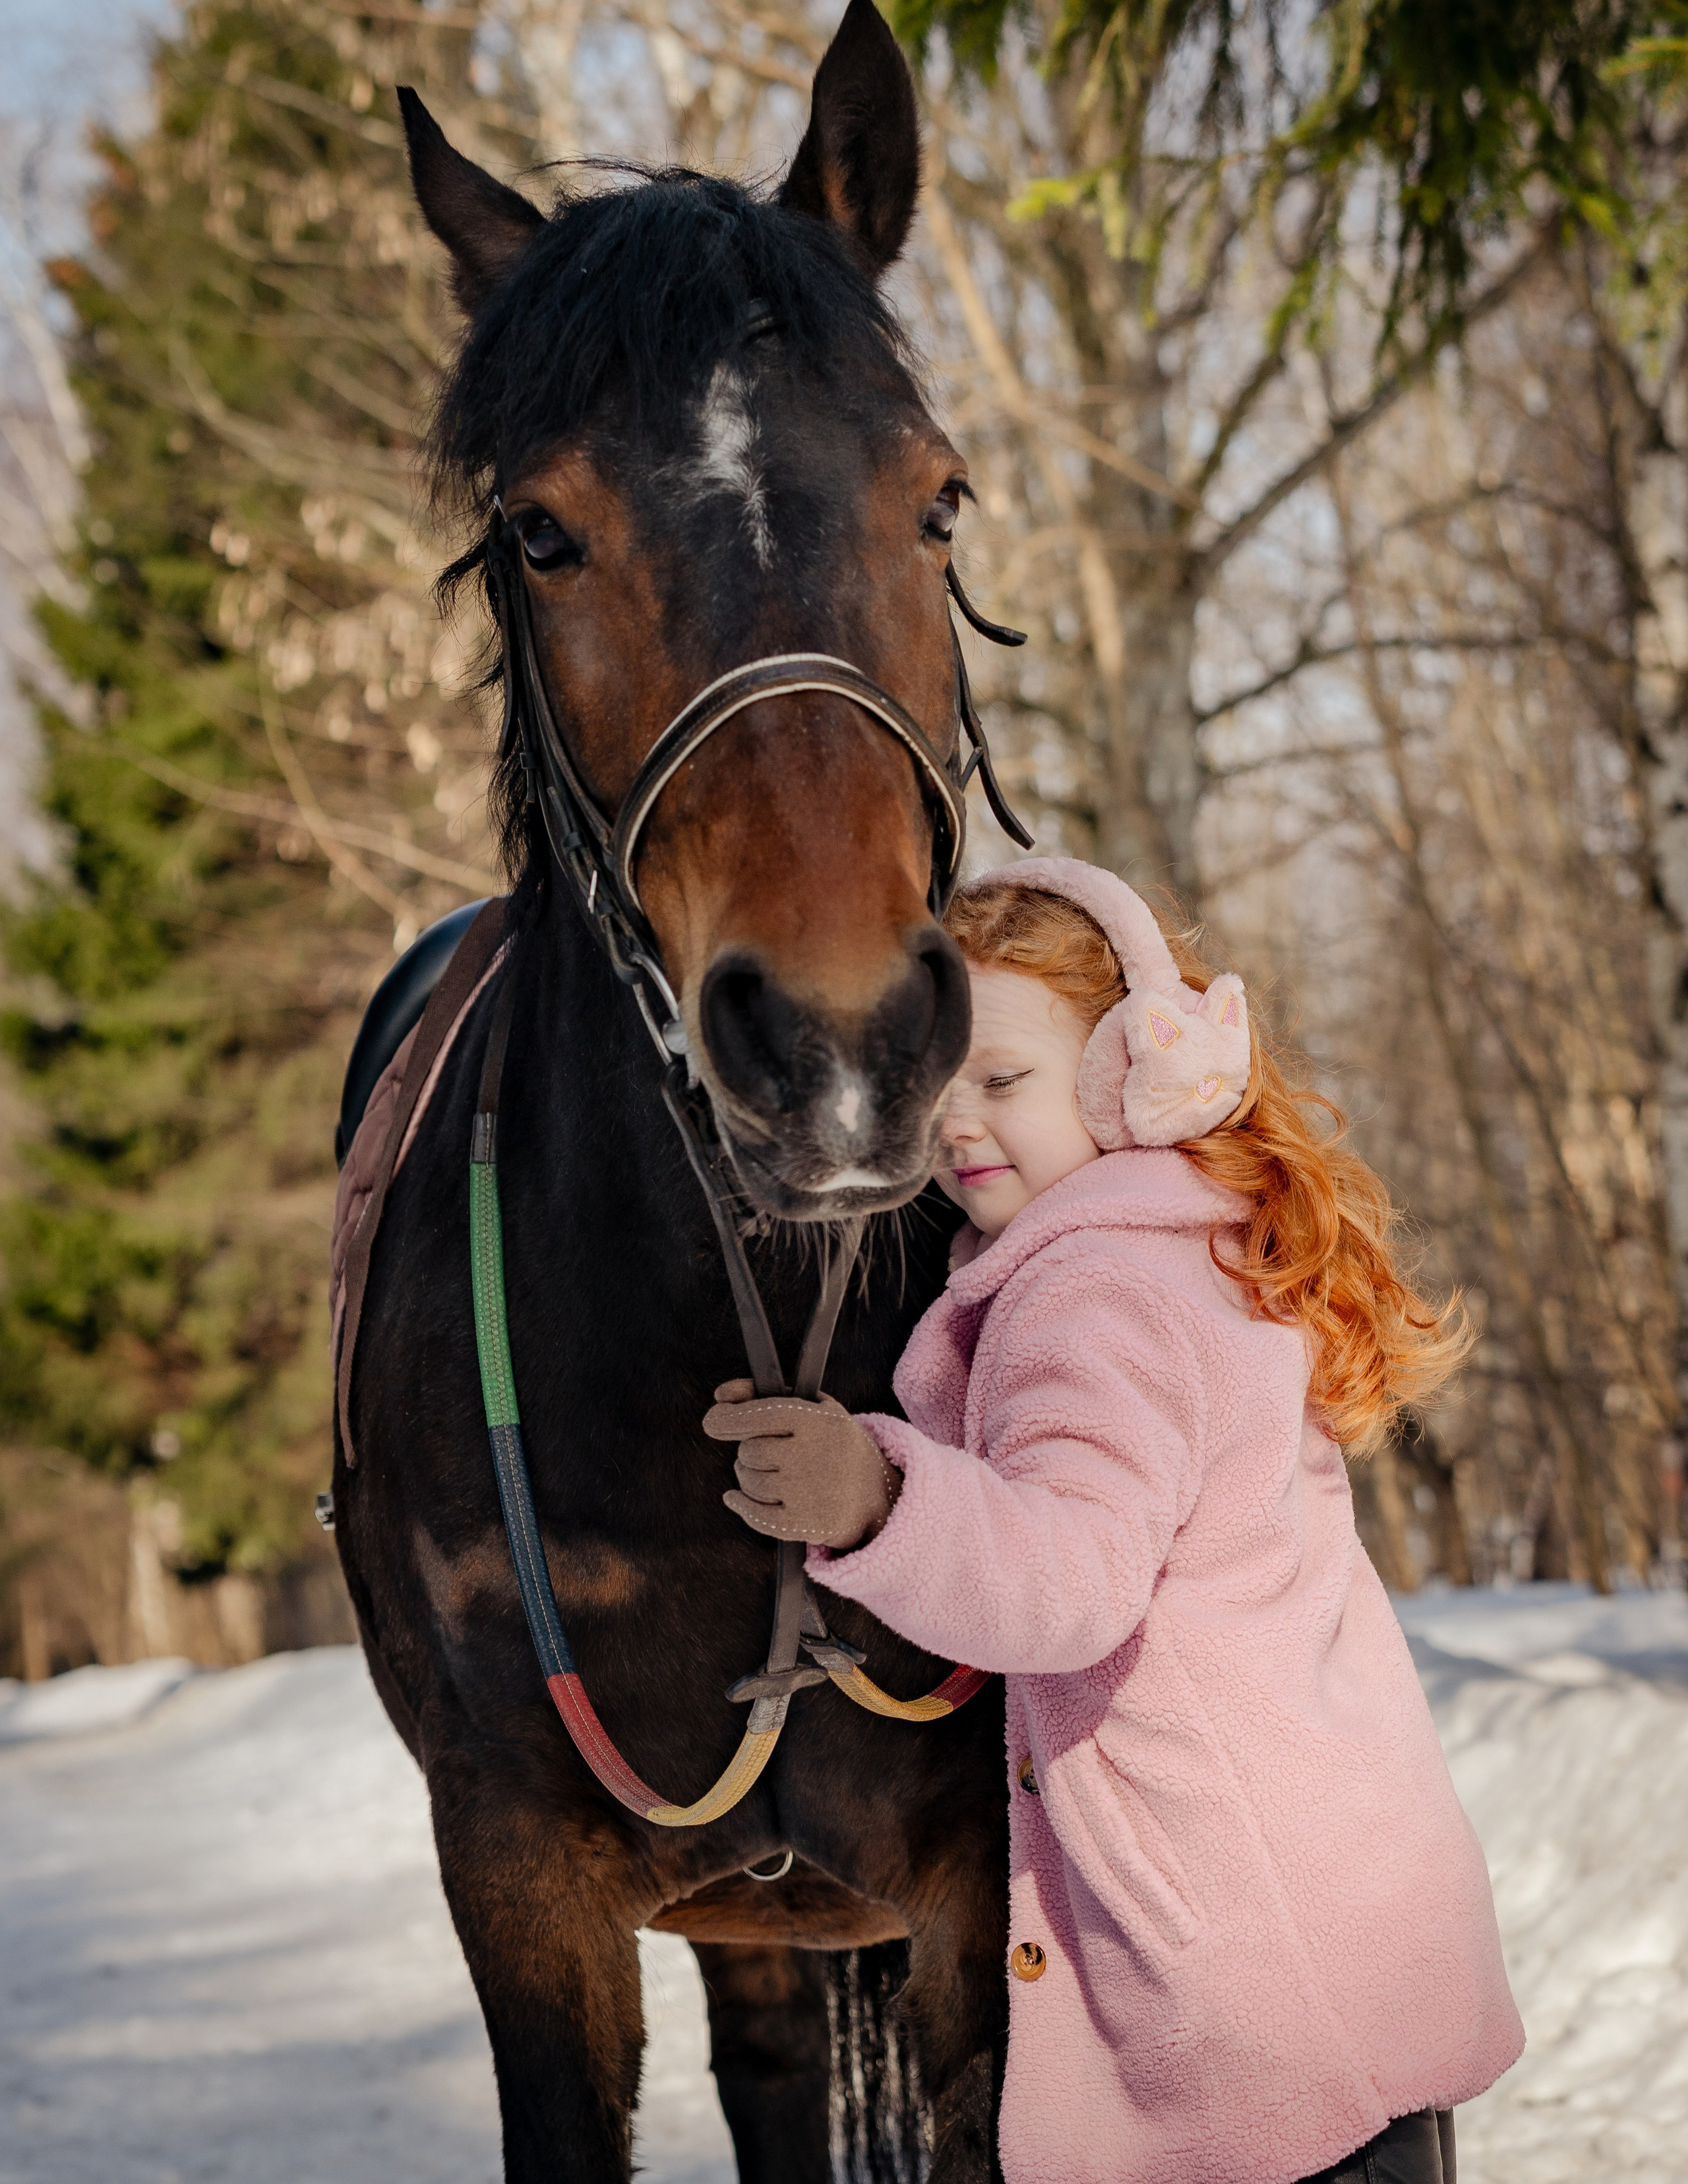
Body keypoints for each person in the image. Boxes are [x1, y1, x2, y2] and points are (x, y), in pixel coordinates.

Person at [704, 856, 1522, 2184]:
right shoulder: (1192, 1242)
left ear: (1121, 1078)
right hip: (1345, 1907)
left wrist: (878, 1495)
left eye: (1004, 1081)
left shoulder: (1088, 1292)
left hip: (1245, 1973)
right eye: (941, 1081)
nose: (957, 1124)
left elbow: (1070, 1576)